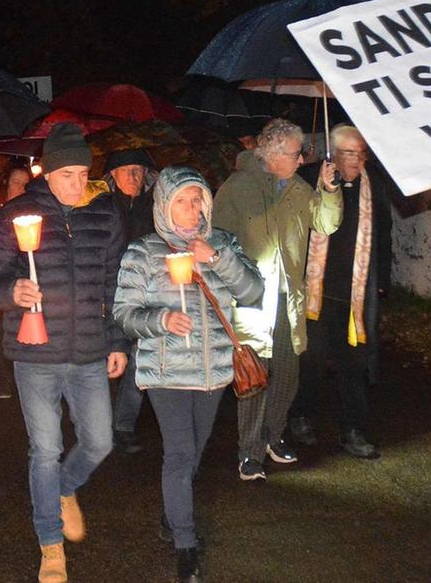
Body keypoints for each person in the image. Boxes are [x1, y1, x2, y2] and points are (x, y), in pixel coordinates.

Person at [0, 123, 129, 583]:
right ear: (48, 171)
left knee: (99, 441)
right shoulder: (17, 214)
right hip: (35, 353)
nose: (79, 184)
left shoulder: (104, 214)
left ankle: (65, 489)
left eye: (84, 173)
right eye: (68, 175)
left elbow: (114, 285)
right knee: (45, 449)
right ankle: (50, 545)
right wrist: (12, 290)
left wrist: (118, 340)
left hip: (88, 351)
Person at [114, 167, 263, 583]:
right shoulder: (143, 252)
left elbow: (254, 292)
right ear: (164, 205)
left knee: (195, 452)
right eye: (181, 200)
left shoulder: (222, 242)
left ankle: (171, 513)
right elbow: (124, 314)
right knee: (179, 453)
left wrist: (215, 258)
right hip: (166, 372)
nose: (191, 208)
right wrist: (161, 319)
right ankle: (186, 545)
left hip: (213, 372)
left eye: (197, 199)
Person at [212, 118, 341, 481]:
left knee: (287, 374)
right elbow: (218, 241)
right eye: (297, 153)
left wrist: (329, 190)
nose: (302, 160)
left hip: (288, 301)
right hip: (251, 301)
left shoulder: (300, 188)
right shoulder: (238, 188)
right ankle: (249, 453)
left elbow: (326, 223)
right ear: (274, 153)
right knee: (254, 377)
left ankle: (273, 436)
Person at [287, 125, 393, 459]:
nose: (356, 159)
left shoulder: (374, 186)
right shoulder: (307, 178)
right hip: (315, 291)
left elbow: (384, 233)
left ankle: (352, 429)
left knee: (354, 366)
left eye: (361, 152)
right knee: (312, 362)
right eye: (348, 153)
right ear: (332, 153)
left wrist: (382, 283)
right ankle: (299, 414)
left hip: (355, 293)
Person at [103, 149, 159, 454]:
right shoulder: (102, 206)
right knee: (105, 356)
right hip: (108, 291)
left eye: (139, 170)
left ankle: (123, 424)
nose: (134, 177)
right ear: (112, 174)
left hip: (142, 293)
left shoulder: (154, 209)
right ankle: (96, 423)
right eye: (127, 170)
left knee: (138, 358)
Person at [0, 164, 31, 400]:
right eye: (16, 182)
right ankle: (2, 377)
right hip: (3, 285)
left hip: (28, 286)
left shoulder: (37, 214)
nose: (21, 187)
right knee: (0, 333)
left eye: (26, 182)